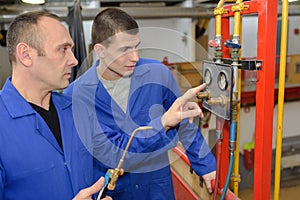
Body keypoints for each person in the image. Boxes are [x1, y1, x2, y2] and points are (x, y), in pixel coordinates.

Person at [66, 8, 216, 200]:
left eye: (136, 47)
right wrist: (162, 123)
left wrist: (206, 165)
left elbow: (183, 124)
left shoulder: (157, 74)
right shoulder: (77, 95)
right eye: (124, 50)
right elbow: (112, 153)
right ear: (100, 50)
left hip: (156, 188)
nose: (135, 57)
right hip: (115, 192)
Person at [0, 11, 111, 200]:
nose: (74, 60)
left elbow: (116, 149)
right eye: (63, 49)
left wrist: (163, 122)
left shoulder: (77, 110)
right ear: (26, 55)